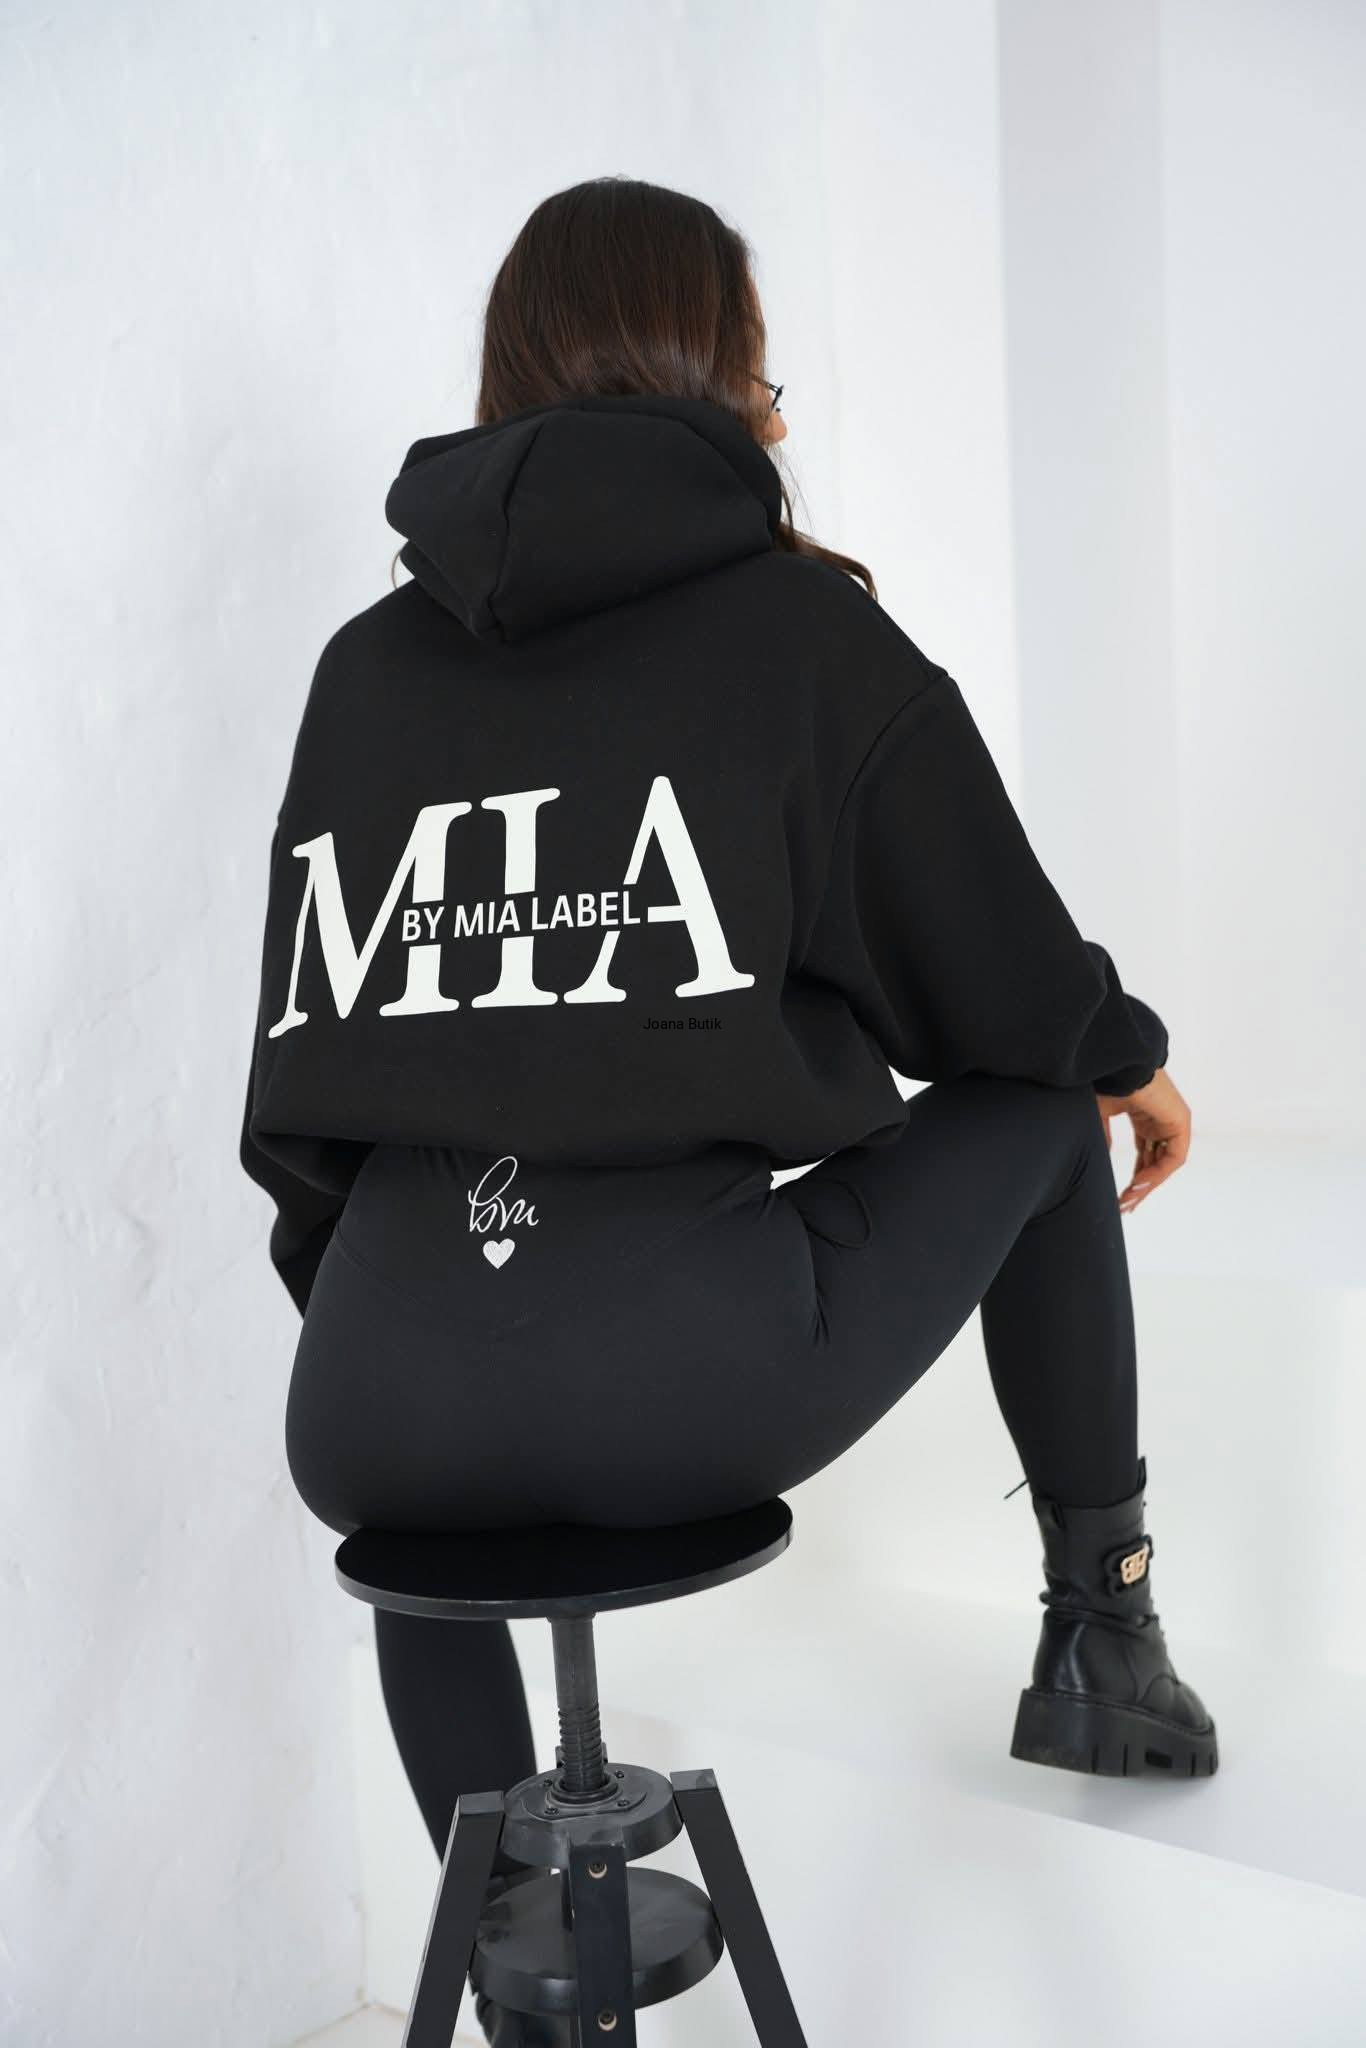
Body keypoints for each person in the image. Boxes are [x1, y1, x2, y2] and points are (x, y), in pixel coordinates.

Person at [240, 175, 1216, 2044]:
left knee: (435, 1474)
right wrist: (1121, 1050)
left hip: (368, 1396)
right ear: (730, 369)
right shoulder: (800, 635)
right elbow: (1001, 986)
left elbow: (301, 1088)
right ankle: (1105, 1632)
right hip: (676, 1378)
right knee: (1038, 1117)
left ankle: (522, 1974)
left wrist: (430, 1313)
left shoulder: (363, 669)